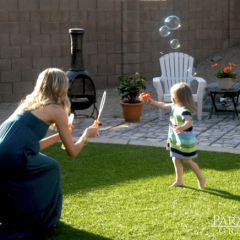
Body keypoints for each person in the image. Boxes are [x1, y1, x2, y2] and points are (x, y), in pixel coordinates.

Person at [0, 68, 99, 239]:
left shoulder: (28, 105)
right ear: (61, 87)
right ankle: (44, 219)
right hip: (14, 157)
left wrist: (57, 137)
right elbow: (72, 152)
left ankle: (22, 215)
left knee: (50, 165)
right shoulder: (56, 110)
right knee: (52, 168)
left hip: (4, 154)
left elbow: (28, 145)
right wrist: (86, 135)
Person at [148, 82, 205, 189]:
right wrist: (153, 102)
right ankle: (179, 180)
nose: (172, 97)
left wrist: (181, 127)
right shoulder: (174, 106)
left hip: (185, 141)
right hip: (176, 139)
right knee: (175, 159)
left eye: (173, 95)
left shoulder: (185, 111)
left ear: (179, 97)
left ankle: (201, 178)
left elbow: (188, 122)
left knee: (188, 161)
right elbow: (164, 105)